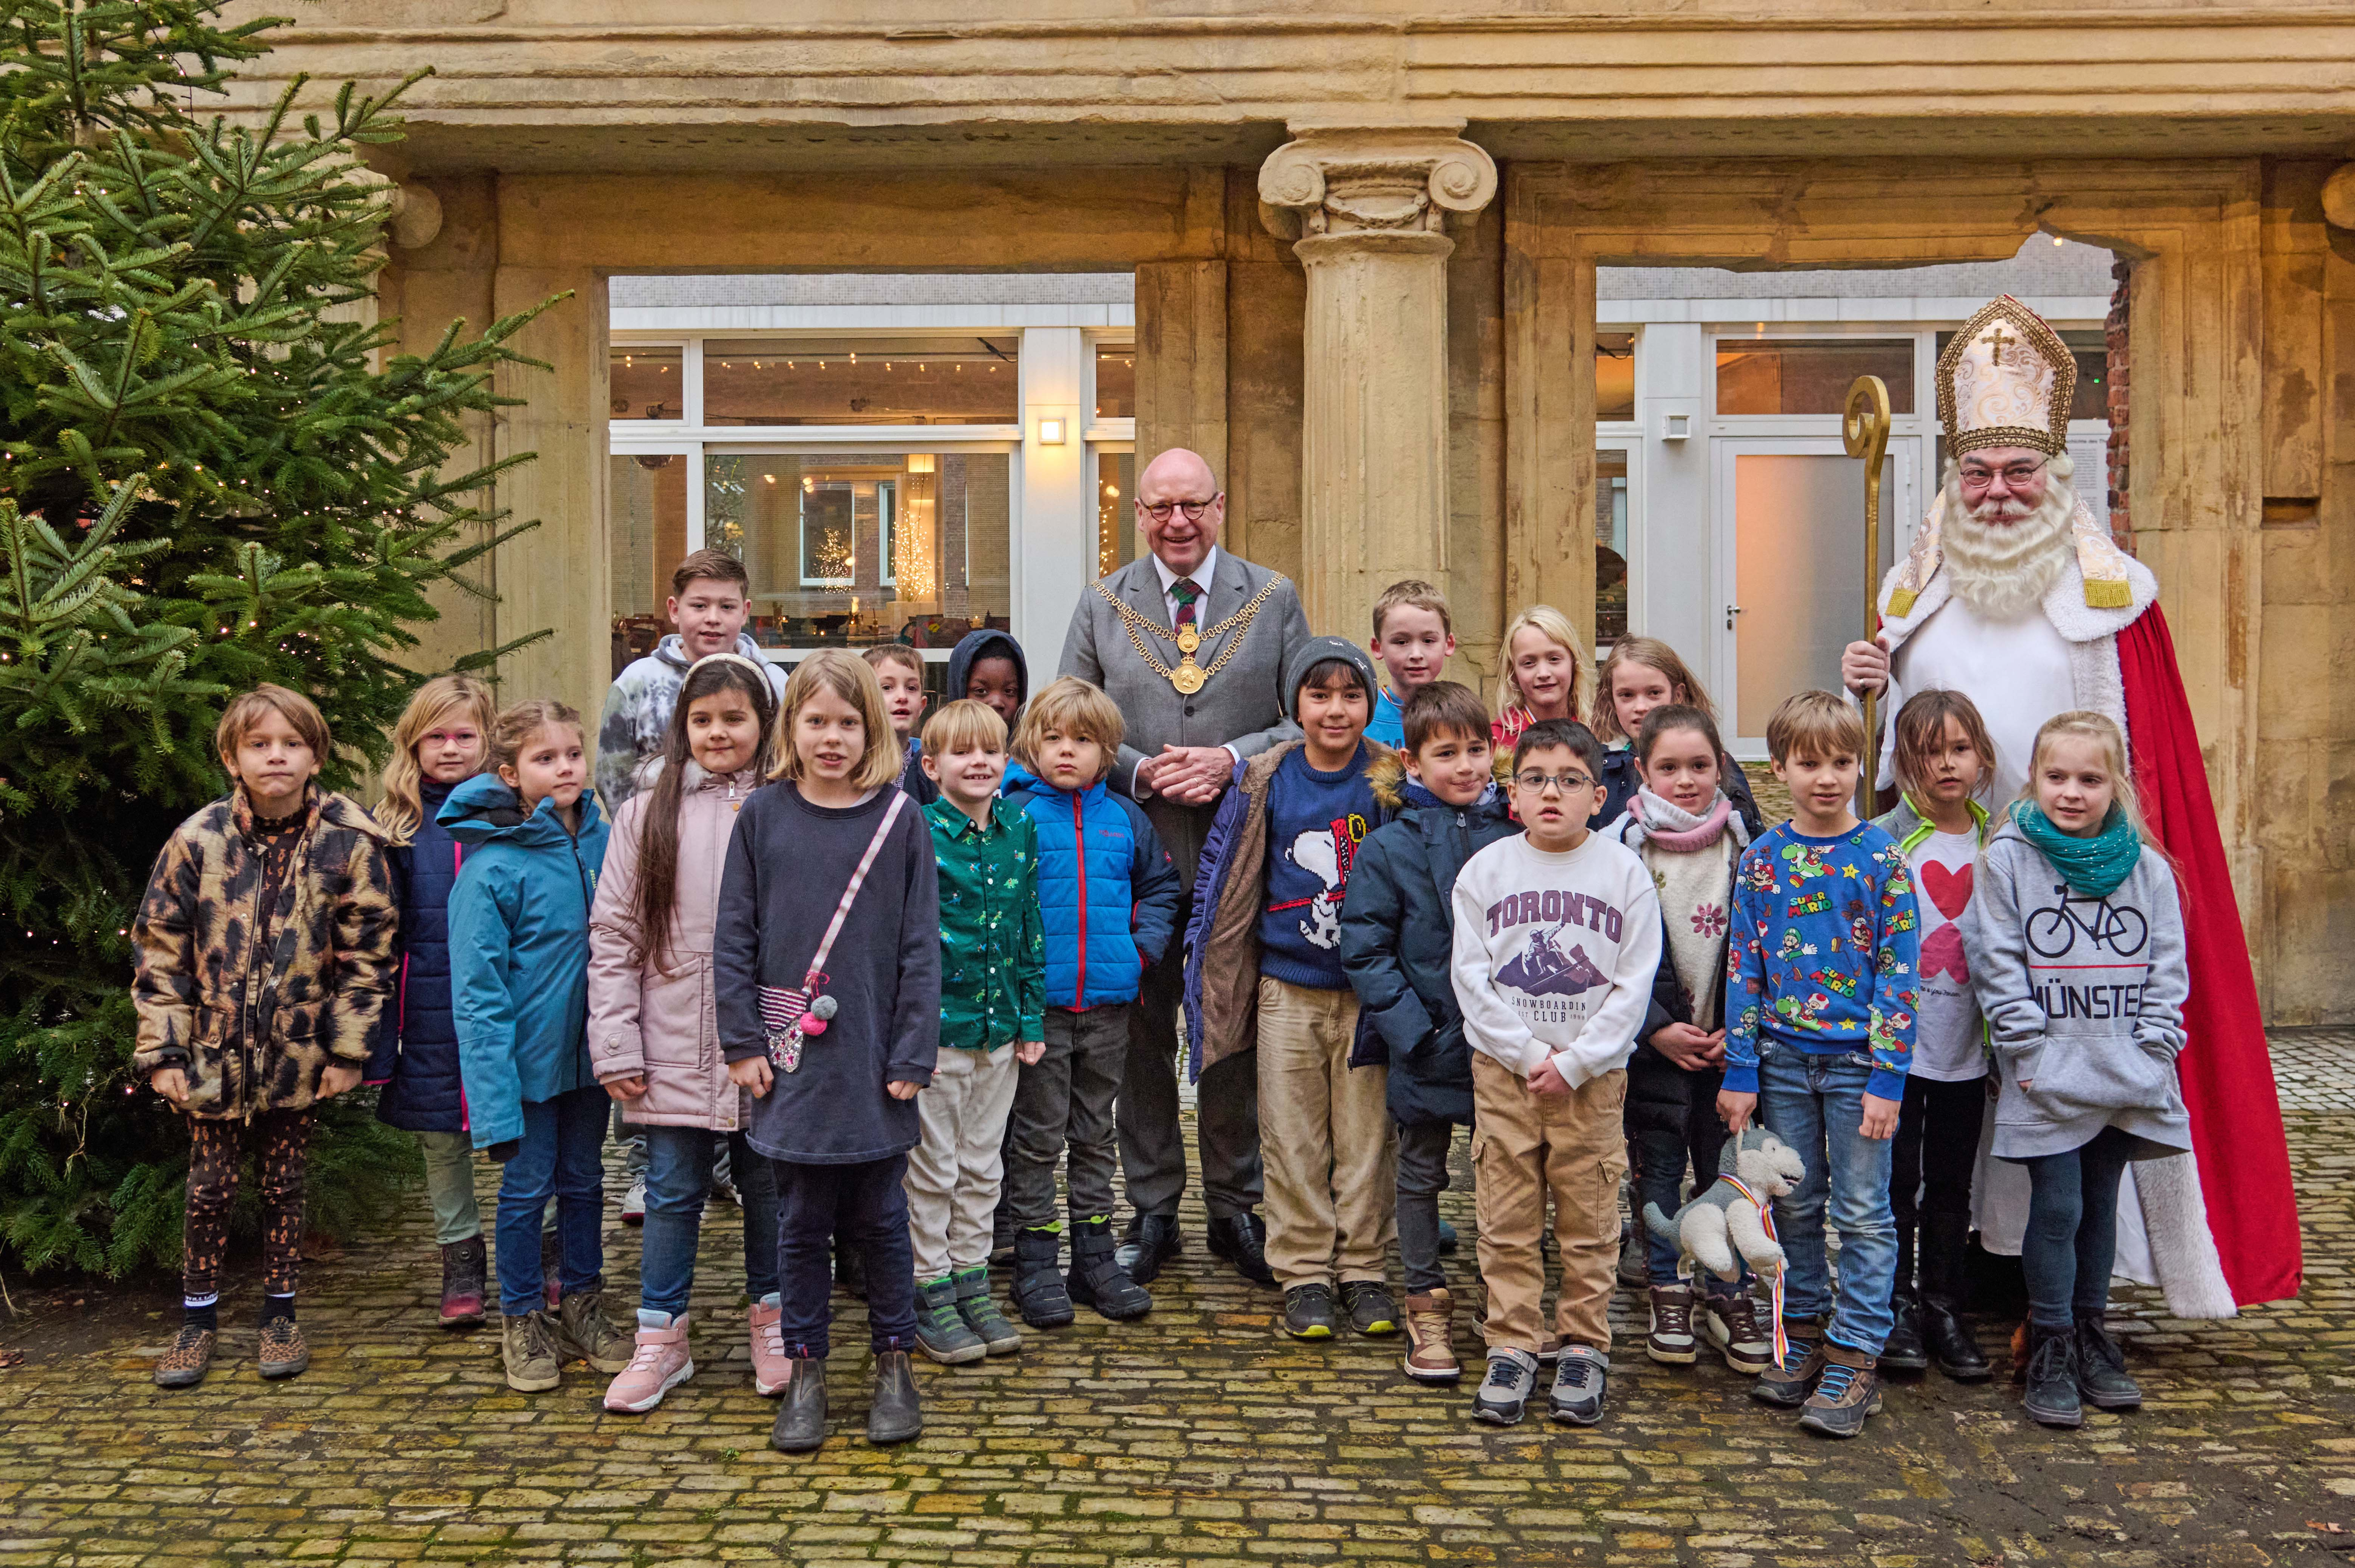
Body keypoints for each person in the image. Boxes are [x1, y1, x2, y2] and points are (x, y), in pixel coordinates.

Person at [1840, 294, 2292, 1312]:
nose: (1997, 492)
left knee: (2053, 1079)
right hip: (1948, 884)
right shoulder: (1909, 598)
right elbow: (1885, 763)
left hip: (2072, 891)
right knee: (1949, 1084)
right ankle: (1954, 1267)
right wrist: (1869, 675)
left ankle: (2061, 1293)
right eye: (1978, 473)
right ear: (1952, 481)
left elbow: (2150, 767)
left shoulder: (2114, 599)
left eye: (2018, 472)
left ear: (2056, 480)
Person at [1057, 447, 1310, 1289]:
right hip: (1129, 849)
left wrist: (1229, 761)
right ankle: (1152, 1203)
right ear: (1137, 512)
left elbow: (1306, 719)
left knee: (1229, 1028)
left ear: (1220, 505)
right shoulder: (1102, 603)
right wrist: (1140, 770)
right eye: (1160, 507)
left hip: (1242, 851)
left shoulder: (1272, 600)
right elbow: (1067, 713)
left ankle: (1236, 1204)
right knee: (1139, 1032)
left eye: (1192, 506)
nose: (1176, 522)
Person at [136, 686, 397, 1389]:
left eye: (290, 743)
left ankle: (280, 1313)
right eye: (259, 744)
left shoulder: (349, 841)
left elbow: (368, 952)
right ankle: (196, 1320)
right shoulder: (198, 840)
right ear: (233, 758)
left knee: (285, 1184)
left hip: (298, 1054)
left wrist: (348, 1049)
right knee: (209, 1188)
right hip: (212, 1056)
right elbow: (160, 946)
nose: (275, 756)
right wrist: (164, 1050)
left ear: (314, 754)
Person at [713, 651, 940, 1454]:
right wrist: (741, 1041)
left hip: (877, 1062)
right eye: (816, 721)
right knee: (800, 1222)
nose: (832, 738)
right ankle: (805, 1368)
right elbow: (733, 937)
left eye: (848, 722)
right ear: (792, 728)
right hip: (791, 1065)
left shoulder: (899, 818)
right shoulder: (763, 817)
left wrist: (914, 1050)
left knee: (883, 1222)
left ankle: (893, 1362)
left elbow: (920, 945)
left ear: (872, 728)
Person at [1961, 711, 2190, 1429]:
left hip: (2124, 1068)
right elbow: (1994, 958)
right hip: (2047, 1071)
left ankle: (2092, 1335)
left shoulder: (2147, 868)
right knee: (2055, 1206)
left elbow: (2166, 965)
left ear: (2114, 784)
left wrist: (2153, 1047)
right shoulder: (2007, 858)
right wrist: (2025, 1049)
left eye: (2088, 779)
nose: (2070, 792)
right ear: (2033, 779)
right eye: (2055, 777)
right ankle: (2050, 1340)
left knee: (2097, 1204)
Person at [1717, 691, 1920, 1440]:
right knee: (1795, 1204)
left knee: (1862, 1211)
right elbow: (1744, 969)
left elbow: (1901, 974)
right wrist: (1739, 1070)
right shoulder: (1763, 862)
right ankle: (1799, 1328)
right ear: (1779, 768)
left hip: (1856, 1068)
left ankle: (1856, 1351)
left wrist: (1887, 1077)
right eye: (1808, 763)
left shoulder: (1882, 861)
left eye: (1840, 761)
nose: (1826, 778)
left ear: (1860, 765)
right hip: (1778, 1060)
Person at [1449, 718, 1662, 1427]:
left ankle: (1582, 1343)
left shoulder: (1622, 872)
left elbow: (1633, 984)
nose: (1551, 793)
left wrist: (1574, 1062)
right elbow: (1470, 977)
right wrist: (1526, 1054)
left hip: (1592, 1082)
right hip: (1505, 1076)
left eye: (1569, 780)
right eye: (1535, 779)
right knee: (1505, 1218)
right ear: (1511, 794)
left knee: (1589, 1218)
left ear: (1597, 796)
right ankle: (1511, 1341)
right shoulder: (1486, 871)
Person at [588, 655, 787, 1413]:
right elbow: (614, 933)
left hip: (766, 1037)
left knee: (770, 1185)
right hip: (669, 1034)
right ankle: (660, 1337)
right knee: (673, 1190)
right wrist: (616, 1042)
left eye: (734, 719)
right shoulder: (649, 812)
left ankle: (773, 1322)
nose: (718, 733)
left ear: (762, 725)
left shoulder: (783, 804)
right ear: (682, 729)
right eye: (703, 720)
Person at [1185, 638, 1395, 1342]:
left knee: (1365, 1136)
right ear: (1293, 705)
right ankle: (1303, 1269)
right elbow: (1230, 874)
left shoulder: (1388, 779)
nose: (1334, 710)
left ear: (1369, 702)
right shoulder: (1266, 778)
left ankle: (1362, 1265)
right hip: (1286, 988)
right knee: (1291, 1135)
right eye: (1318, 695)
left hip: (1368, 994)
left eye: (1349, 695)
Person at [444, 699, 630, 1394]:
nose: (563, 769)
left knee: (586, 1184)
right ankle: (522, 1313)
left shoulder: (606, 845)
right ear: (509, 773)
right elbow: (479, 994)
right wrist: (492, 1101)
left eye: (572, 756)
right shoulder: (492, 869)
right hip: (525, 1066)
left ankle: (582, 1299)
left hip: (595, 1055)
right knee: (526, 1191)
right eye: (544, 759)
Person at [599, 548, 786, 1222]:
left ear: (745, 611)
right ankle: (650, 1165)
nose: (713, 617)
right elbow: (613, 771)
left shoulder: (771, 680)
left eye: (726, 605)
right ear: (675, 611)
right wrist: (657, 835)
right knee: (667, 1028)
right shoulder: (640, 680)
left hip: (745, 872)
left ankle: (730, 1165)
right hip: (665, 859)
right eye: (699, 605)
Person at [1339, 680, 1516, 1384]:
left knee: (1507, 1174)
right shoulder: (1388, 846)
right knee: (1418, 1172)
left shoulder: (1515, 835)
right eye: (1447, 754)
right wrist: (1415, 1031)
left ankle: (1503, 1299)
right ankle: (1425, 1299)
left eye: (1476, 750)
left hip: (1506, 1043)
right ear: (1412, 764)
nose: (1465, 766)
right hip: (1427, 1040)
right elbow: (1366, 948)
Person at [999, 678, 1180, 1328]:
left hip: (1107, 1004)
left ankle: (1094, 1256)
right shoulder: (1013, 815)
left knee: (1094, 1134)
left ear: (1107, 752)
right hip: (1038, 1009)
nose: (1066, 752)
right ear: (1031, 746)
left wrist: (1139, 953)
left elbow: (1161, 888)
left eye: (1082, 741)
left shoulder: (1123, 819)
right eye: (1053, 740)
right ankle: (1035, 1261)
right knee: (1038, 1139)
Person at [1603, 703, 1771, 1378]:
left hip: (1727, 1051)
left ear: (1721, 769)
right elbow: (1606, 956)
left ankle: (1727, 1293)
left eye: (1698, 766)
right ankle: (1666, 1291)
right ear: (1641, 772)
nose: (1684, 780)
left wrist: (1744, 1031)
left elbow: (1767, 949)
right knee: (1659, 1178)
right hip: (1655, 1055)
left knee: (1727, 1176)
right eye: (1667, 768)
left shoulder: (1745, 848)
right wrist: (1653, 1030)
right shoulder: (1619, 850)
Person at [905, 699, 1045, 1363]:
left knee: (983, 1164)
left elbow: (1028, 928)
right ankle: (927, 1282)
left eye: (991, 749)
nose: (980, 762)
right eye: (962, 752)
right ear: (931, 766)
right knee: (932, 1166)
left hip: (1000, 1029)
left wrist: (1031, 1016)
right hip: (936, 1029)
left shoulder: (1019, 829)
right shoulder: (916, 831)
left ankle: (971, 1275)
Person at [366, 674, 505, 1330]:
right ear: (413, 743)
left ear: (486, 741)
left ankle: (548, 1249)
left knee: (522, 1125)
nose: (450, 748)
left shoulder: (511, 816)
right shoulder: (395, 827)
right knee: (441, 1137)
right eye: (436, 736)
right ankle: (461, 1259)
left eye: (464, 736)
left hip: (506, 999)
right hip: (425, 1003)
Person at [1869, 688, 2000, 1382]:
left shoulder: (1998, 845)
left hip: (1965, 1048)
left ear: (1980, 758)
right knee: (1895, 1182)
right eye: (1926, 752)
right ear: (1902, 762)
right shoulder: (1883, 842)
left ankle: (1942, 1303)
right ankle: (1891, 1305)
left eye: (1957, 749)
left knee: (1951, 1183)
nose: (1944, 765)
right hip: (1897, 1052)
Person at [1588, 636, 1762, 837]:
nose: (1641, 707)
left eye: (1654, 693)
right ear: (1611, 699)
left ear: (1677, 695)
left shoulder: (1711, 761)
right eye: (1627, 695)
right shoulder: (1600, 767)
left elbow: (1750, 835)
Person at [1364, 579, 1458, 749]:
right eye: (1401, 642)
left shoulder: (1462, 714)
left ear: (1448, 644)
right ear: (1378, 648)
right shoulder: (1363, 717)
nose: (1416, 655)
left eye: (1428, 641)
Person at [1492, 605, 1591, 750]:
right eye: (1529, 663)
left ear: (1574, 664)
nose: (1543, 673)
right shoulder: (1497, 741)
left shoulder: (1598, 735)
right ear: (1513, 673)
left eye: (1554, 659)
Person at [866, 643, 935, 807]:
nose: (902, 697)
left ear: (922, 706)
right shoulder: (852, 765)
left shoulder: (932, 765)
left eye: (911, 688)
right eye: (887, 687)